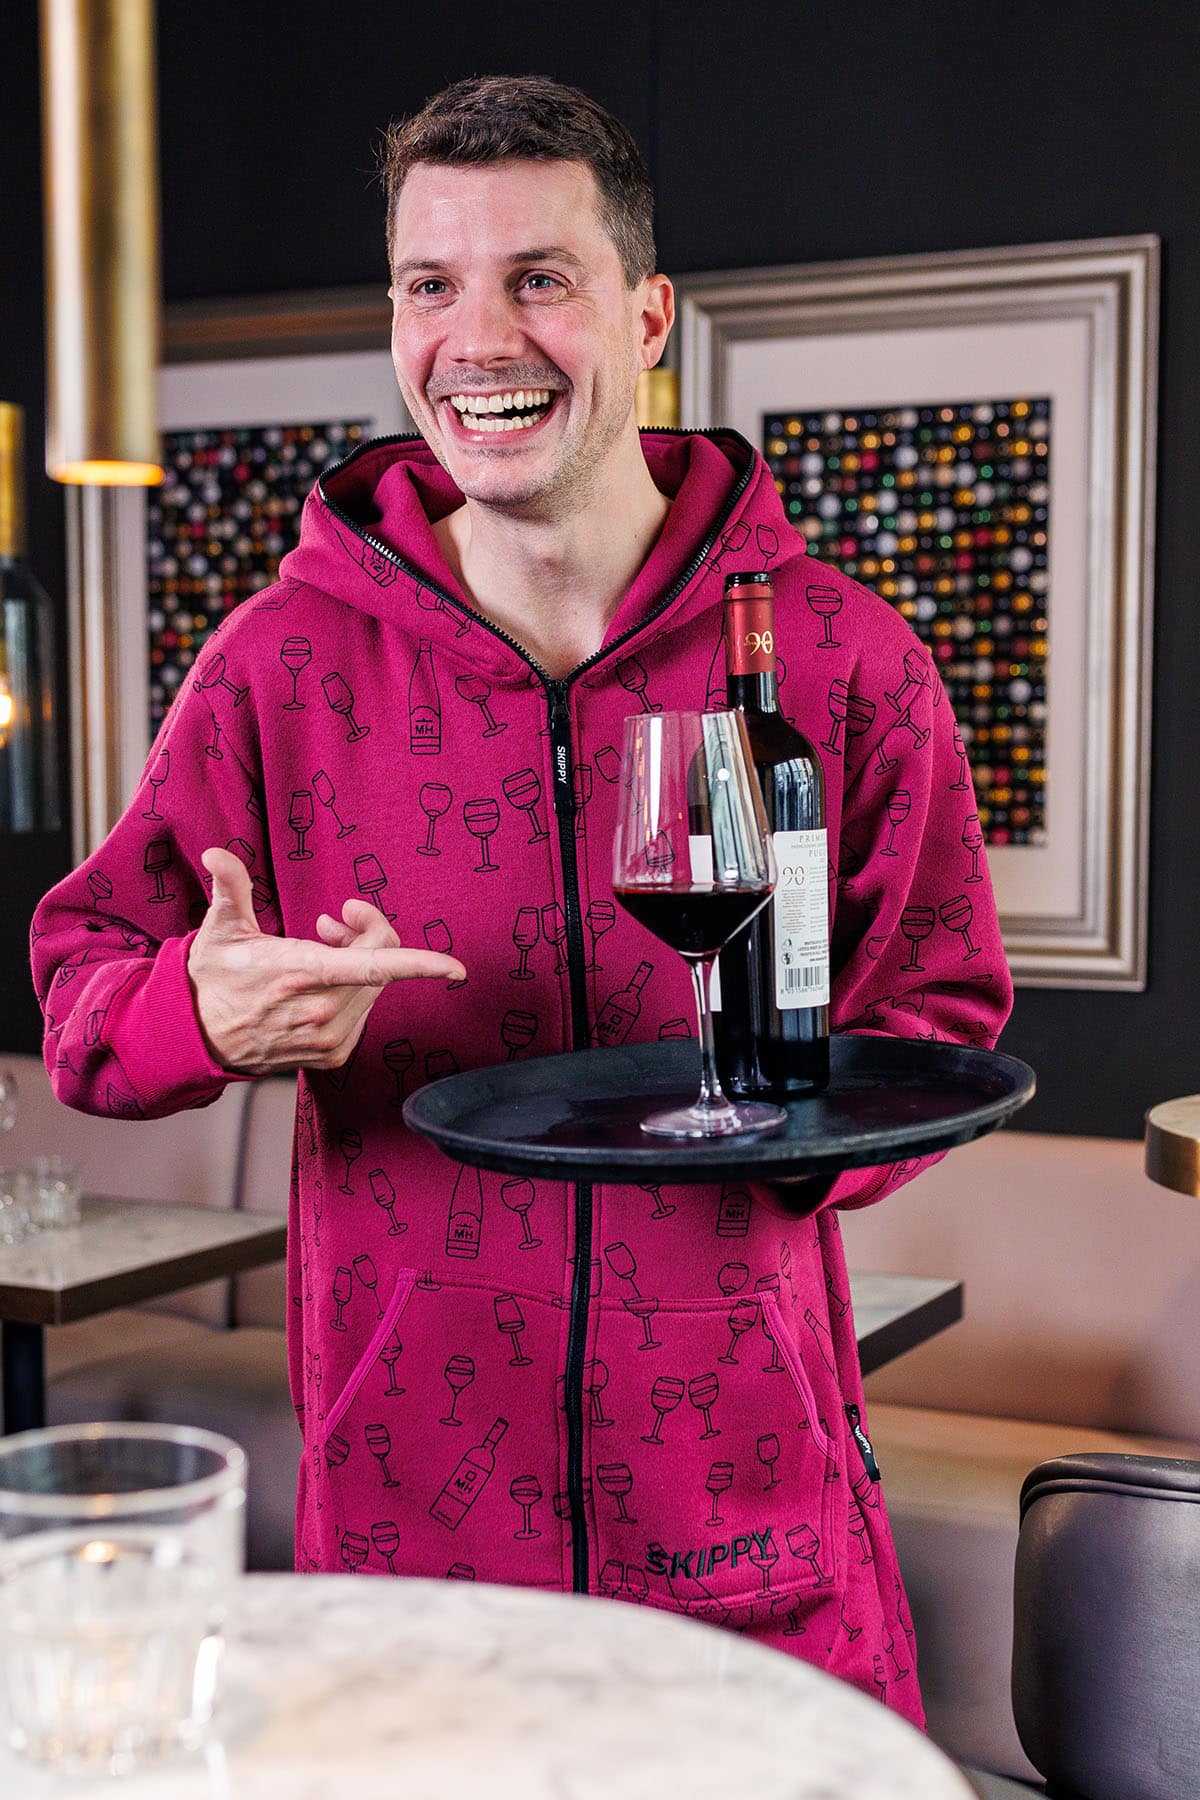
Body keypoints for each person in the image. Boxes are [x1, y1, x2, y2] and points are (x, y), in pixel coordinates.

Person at [31, 74, 1011, 1725]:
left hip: (750, 1524)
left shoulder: (842, 656)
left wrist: (785, 1144)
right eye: (432, 284)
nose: (477, 338)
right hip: (407, 1550)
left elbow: (940, 1005)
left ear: (648, 317)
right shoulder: (278, 665)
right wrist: (200, 1010)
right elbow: (83, 991)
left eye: (539, 278)